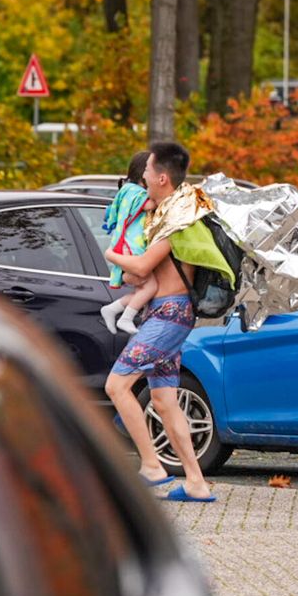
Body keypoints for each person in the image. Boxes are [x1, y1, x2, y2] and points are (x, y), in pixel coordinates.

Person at [102, 142, 216, 503]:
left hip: (170, 314)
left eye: (148, 172)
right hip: (165, 312)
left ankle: (152, 465)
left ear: (162, 177)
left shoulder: (176, 221)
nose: (143, 179)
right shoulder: (169, 212)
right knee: (165, 401)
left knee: (117, 386)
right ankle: (196, 482)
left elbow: (140, 267)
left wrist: (108, 252)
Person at [99, 151, 156, 335]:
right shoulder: (134, 191)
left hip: (126, 246)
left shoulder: (126, 189)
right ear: (143, 173)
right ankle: (125, 318)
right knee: (151, 287)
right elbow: (149, 206)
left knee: (144, 291)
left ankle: (112, 309)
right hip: (131, 247)